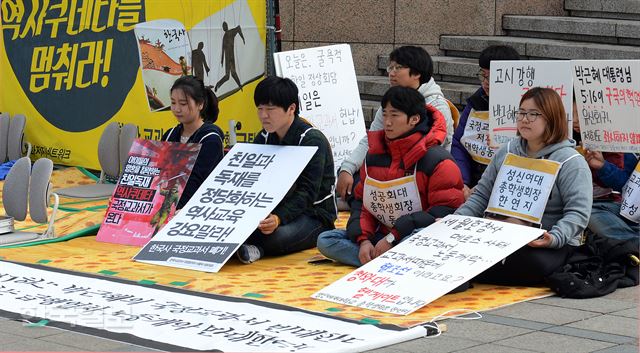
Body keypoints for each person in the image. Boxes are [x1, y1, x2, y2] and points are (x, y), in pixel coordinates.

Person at [454, 87, 592, 286]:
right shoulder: (507, 151)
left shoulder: (571, 161)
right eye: (521, 113)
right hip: (498, 234)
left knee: (530, 264)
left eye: (534, 114)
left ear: (552, 118)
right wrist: (455, 222)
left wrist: (554, 237)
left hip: (544, 241)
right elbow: (481, 196)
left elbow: (578, 214)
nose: (525, 119)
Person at [317, 86, 464, 267]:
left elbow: (445, 211)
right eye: (385, 115)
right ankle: (390, 261)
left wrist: (393, 237)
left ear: (414, 119)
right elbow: (364, 204)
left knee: (420, 240)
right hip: (382, 234)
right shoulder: (373, 155)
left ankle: (383, 260)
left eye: (394, 115)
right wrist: (364, 240)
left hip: (414, 236)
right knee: (326, 239)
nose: (387, 122)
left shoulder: (437, 160)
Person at [236, 76, 337, 264]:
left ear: (291, 109)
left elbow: (307, 193)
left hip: (313, 215)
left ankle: (257, 247)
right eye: (260, 108)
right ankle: (253, 244)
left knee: (277, 237)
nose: (263, 115)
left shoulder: (311, 140)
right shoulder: (265, 137)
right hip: (272, 209)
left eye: (270, 109)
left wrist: (278, 218)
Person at [336, 46, 454, 201]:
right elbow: (371, 140)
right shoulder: (392, 101)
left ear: (417, 73)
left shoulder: (437, 107)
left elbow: (430, 149)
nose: (391, 73)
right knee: (356, 178)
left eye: (398, 68)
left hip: (420, 173)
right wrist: (347, 168)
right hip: (390, 167)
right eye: (390, 67)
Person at [451, 45, 521, 200]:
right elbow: (459, 143)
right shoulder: (475, 103)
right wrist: (462, 182)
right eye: (483, 76)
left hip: (508, 186)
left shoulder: (527, 108)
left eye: (493, 76)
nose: (486, 82)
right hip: (472, 182)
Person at [572, 101, 640, 247]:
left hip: (617, 204)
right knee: (587, 214)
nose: (576, 120)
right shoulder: (565, 140)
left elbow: (626, 185)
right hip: (592, 207)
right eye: (572, 115)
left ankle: (632, 245)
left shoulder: (619, 143)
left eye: (582, 114)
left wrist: (603, 166)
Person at [162, 75, 224, 209]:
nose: (177, 109)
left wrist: (175, 211)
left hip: (197, 208)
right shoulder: (170, 135)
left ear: (200, 104)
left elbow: (196, 183)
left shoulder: (210, 139)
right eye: (173, 102)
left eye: (183, 104)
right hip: (167, 206)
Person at [214, 21, 246, 92]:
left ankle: (240, 85)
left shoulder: (231, 32)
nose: (224, 27)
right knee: (227, 76)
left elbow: (238, 28)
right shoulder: (224, 36)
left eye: (225, 26)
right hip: (227, 57)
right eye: (223, 27)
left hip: (231, 56)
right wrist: (222, 60)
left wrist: (242, 37)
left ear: (227, 26)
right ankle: (218, 84)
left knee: (233, 73)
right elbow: (223, 49)